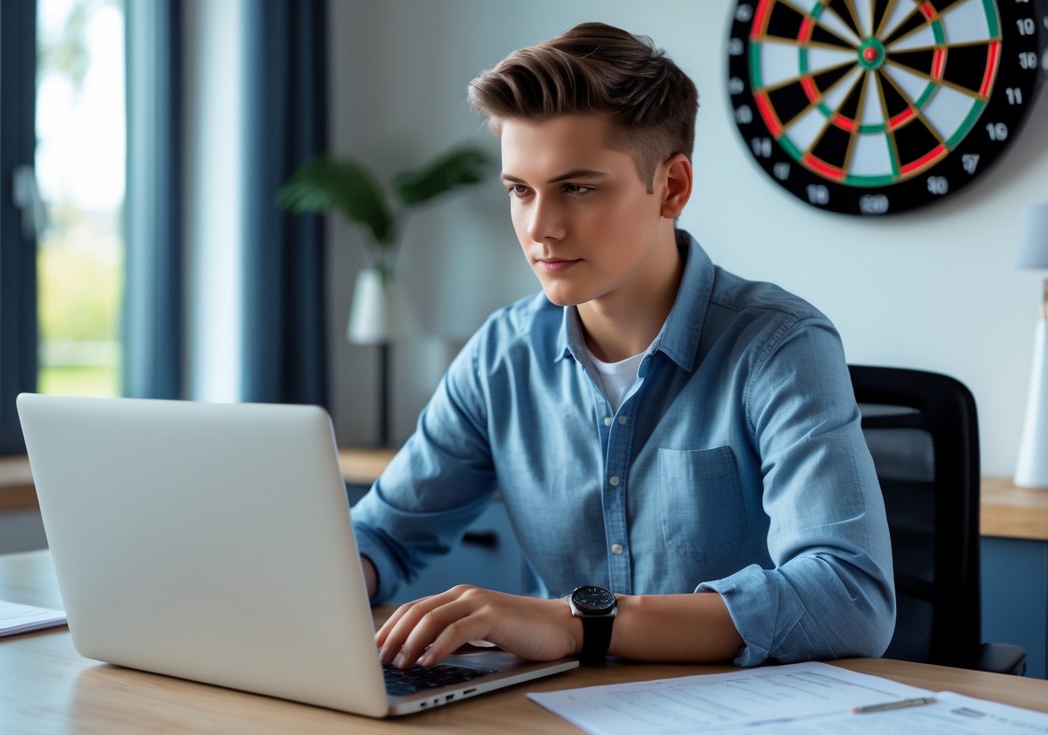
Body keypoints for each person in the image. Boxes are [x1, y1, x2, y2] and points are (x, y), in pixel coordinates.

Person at [351, 21, 895, 670]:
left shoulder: (778, 347)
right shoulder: (500, 355)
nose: (539, 229)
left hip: (737, 729)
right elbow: (382, 534)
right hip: (555, 722)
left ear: (671, 188)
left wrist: (578, 624)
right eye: (519, 191)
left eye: (577, 188)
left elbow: (848, 599)